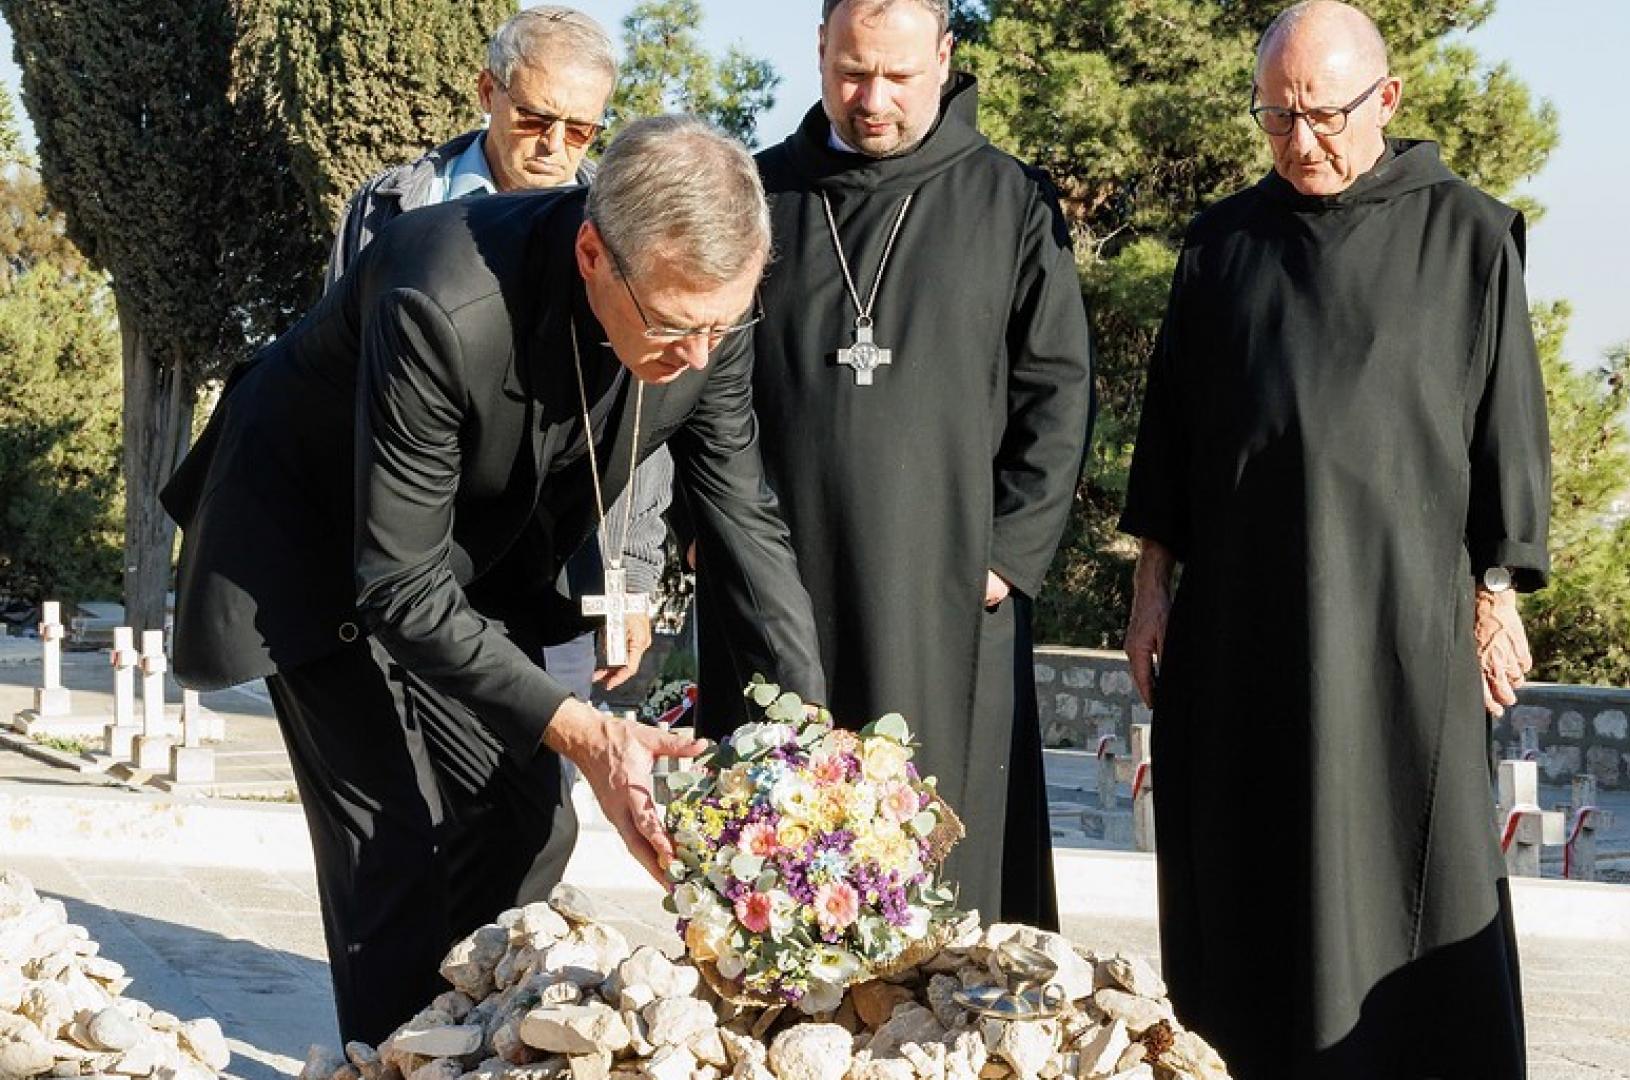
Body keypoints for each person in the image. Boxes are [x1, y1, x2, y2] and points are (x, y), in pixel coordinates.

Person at [162, 116, 824, 1046]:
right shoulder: (440, 296)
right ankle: (394, 1058)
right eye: (676, 326)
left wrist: (810, 742)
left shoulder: (703, 316)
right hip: (312, 541)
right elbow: (398, 583)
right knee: (394, 841)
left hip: (466, 556)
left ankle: (468, 1039)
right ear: (593, 254)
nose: (701, 356)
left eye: (723, 324)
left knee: (526, 821)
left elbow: (745, 525)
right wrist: (588, 733)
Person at [1120, 2, 1551, 1074]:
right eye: (1276, 117)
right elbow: (1170, 433)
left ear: (1386, 98)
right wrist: (1151, 588)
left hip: (1401, 626)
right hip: (1242, 630)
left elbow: (1507, 426)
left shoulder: (1469, 235)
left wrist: (1497, 591)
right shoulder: (1221, 244)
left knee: (1412, 869)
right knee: (1245, 874)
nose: (1300, 141)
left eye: (1323, 115)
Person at [694, 0, 1094, 929]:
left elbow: (1057, 387)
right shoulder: (758, 193)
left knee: (947, 878)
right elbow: (697, 372)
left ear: (945, 58)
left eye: (899, 76)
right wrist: (697, 528)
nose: (871, 99)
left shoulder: (1010, 201)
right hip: (778, 577)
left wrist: (1008, 554)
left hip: (945, 589)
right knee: (775, 852)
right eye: (851, 71)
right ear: (820, 51)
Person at [327, 5, 676, 698]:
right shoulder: (388, 209)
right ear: (489, 91)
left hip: (547, 576)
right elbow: (334, 381)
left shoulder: (621, 233)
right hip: (403, 563)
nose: (555, 145)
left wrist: (632, 578)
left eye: (581, 129)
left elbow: (642, 422)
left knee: (545, 765)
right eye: (535, 118)